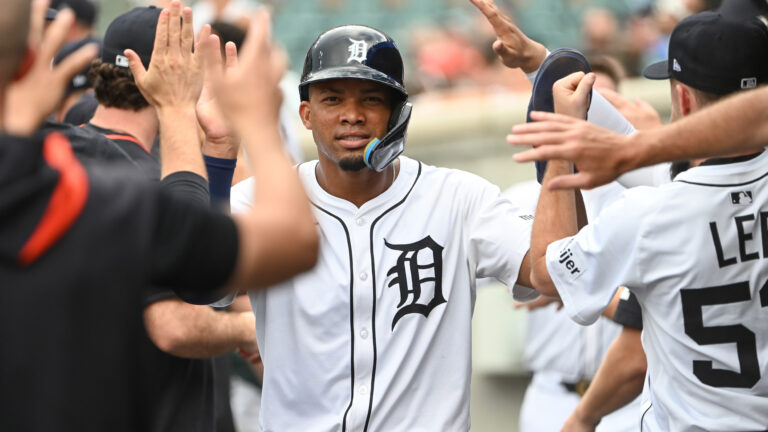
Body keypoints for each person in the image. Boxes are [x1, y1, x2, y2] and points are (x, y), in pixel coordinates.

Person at [0, 2, 317, 431]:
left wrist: (218, 154)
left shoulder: (69, 155)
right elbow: (289, 242)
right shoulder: (103, 189)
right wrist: (256, 119)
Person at [229, 23, 537, 431]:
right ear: (305, 113)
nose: (352, 116)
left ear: (398, 114)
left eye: (371, 99)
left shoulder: (458, 198)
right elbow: (198, 287)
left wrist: (559, 156)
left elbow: (549, 270)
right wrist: (218, 151)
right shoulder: (258, 201)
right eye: (332, 99)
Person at [528, 11, 768, 431]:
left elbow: (546, 274)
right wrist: (539, 61)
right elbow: (644, 154)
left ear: (685, 99)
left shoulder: (648, 213)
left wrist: (560, 142)